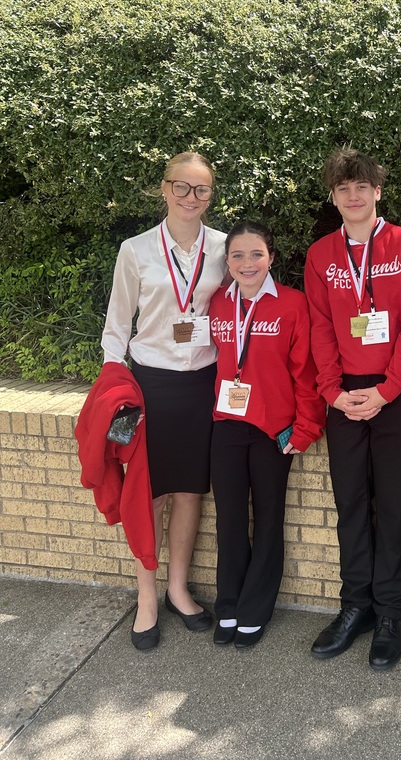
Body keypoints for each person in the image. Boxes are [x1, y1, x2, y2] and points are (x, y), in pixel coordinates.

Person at [303, 149, 401, 670]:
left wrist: (388, 388)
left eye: (362, 187)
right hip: (342, 395)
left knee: (395, 505)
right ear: (333, 197)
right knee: (352, 503)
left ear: (378, 191)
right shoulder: (321, 255)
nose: (353, 196)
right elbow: (318, 325)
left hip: (396, 394)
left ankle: (390, 614)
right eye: (343, 189)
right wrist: (332, 391)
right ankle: (354, 605)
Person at [102, 151, 228, 650]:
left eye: (201, 189)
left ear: (210, 195)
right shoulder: (135, 250)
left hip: (203, 383)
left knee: (190, 490)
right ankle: (148, 595)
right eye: (182, 187)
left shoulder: (223, 247)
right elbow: (116, 327)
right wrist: (112, 389)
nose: (190, 197)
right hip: (150, 385)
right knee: (148, 493)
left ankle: (178, 588)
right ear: (164, 188)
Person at [208, 221, 326, 648]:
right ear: (228, 262)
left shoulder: (294, 305)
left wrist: (308, 426)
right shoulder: (218, 304)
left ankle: (255, 609)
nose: (247, 263)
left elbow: (306, 373)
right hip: (225, 426)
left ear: (271, 258)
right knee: (230, 521)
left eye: (256, 254)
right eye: (237, 255)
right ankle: (229, 605)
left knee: (269, 520)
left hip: (273, 430)